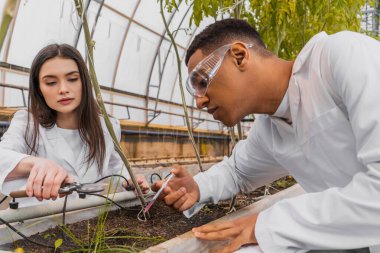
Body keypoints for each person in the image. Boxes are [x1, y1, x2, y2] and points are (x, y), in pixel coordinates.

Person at [152, 18, 380, 253]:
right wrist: (196, 187)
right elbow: (237, 172)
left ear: (239, 56)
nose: (199, 101)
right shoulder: (270, 128)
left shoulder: (342, 58)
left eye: (202, 82)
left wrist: (267, 225)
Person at [0, 44, 149, 207]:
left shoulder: (106, 126)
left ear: (84, 82)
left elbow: (114, 165)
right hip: (36, 223)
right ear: (39, 88)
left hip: (88, 221)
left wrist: (130, 179)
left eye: (72, 79)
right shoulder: (27, 123)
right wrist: (36, 163)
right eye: (50, 82)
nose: (63, 89)